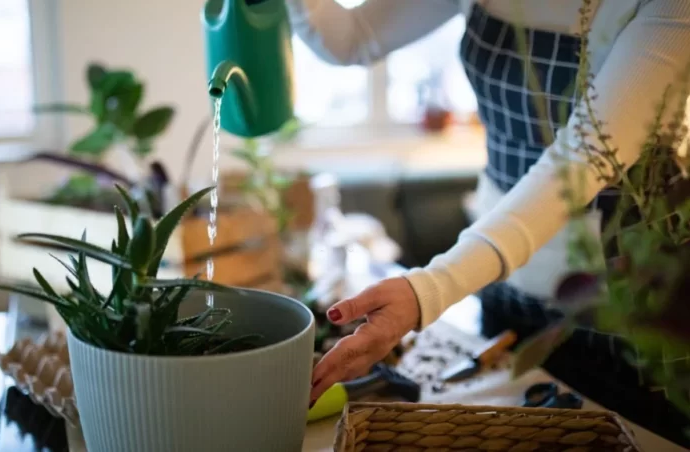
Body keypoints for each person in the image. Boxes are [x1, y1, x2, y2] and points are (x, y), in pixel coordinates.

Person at [287, 0, 690, 446]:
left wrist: (428, 290)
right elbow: (351, 37)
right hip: (502, 285)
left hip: (627, 304)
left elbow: (581, 159)